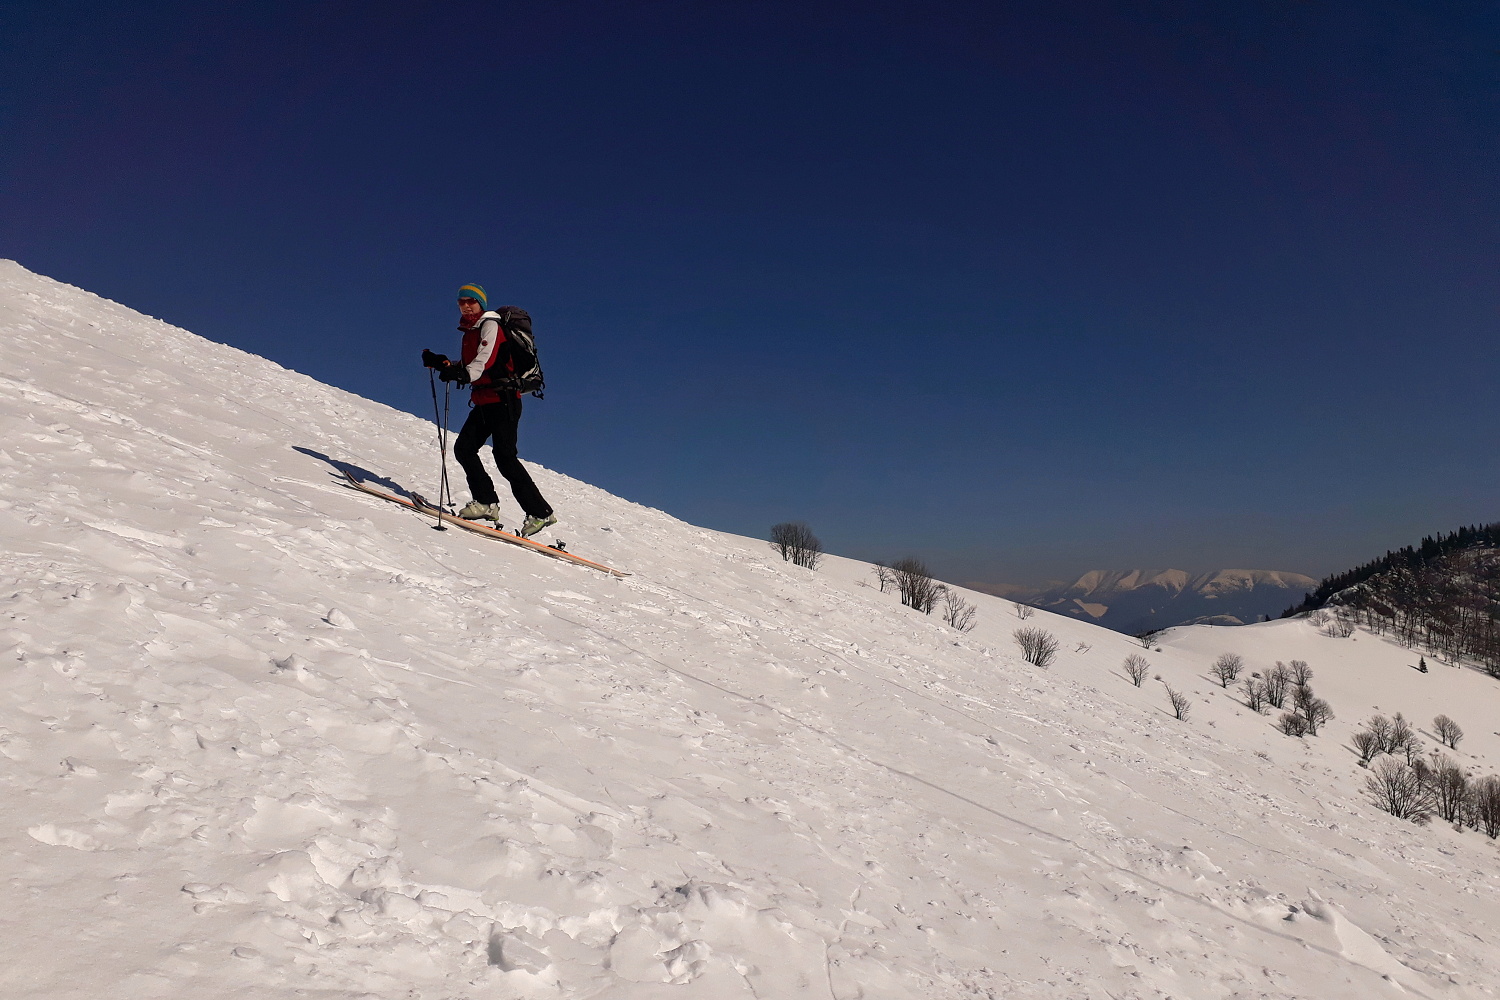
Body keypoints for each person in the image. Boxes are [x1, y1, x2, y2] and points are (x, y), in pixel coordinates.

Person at [422, 283, 557, 537]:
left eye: (471, 301)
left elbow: (485, 360)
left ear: (481, 303)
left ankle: (541, 513)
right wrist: (444, 364)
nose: (466, 305)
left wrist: (461, 373)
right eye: (462, 301)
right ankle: (486, 503)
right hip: (485, 401)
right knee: (464, 448)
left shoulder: (490, 325)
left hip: (504, 400)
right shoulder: (469, 332)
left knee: (505, 457)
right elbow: (472, 363)